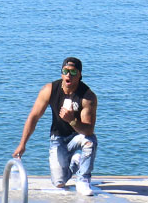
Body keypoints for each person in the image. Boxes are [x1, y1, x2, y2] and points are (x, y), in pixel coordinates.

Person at [13, 57, 98, 195]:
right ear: (61, 73)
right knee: (59, 182)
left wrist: (72, 120)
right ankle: (76, 163)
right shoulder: (50, 90)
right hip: (58, 138)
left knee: (90, 141)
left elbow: (89, 130)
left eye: (73, 72)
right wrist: (22, 144)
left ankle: (83, 180)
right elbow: (34, 117)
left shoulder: (87, 97)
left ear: (80, 75)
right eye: (65, 71)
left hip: (77, 137)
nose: (68, 75)